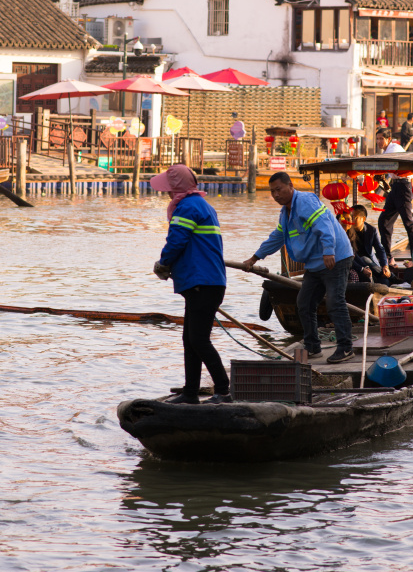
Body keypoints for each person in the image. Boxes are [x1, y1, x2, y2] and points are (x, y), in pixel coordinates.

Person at [243, 173, 356, 364]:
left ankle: (345, 348)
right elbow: (277, 238)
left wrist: (329, 251)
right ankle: (312, 347)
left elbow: (325, 225)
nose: (275, 195)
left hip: (336, 257)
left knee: (335, 302)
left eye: (278, 190)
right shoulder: (285, 214)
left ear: (290, 186)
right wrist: (254, 258)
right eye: (272, 191)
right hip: (315, 263)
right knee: (304, 303)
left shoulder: (305, 201)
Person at [151, 164, 231, 405]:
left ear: (177, 188)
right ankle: (190, 392)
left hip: (202, 282)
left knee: (198, 340)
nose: (167, 193)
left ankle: (223, 391)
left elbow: (176, 241)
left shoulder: (187, 207)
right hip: (207, 281)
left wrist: (163, 263)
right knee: (191, 339)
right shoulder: (202, 205)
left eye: (169, 188)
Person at [377, 145, 413, 258]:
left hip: (403, 186)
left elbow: (388, 164)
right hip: (395, 186)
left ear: (388, 139)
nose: (379, 142)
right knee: (384, 221)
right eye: (378, 139)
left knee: (408, 222)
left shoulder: (393, 149)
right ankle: (387, 256)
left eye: (381, 139)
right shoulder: (386, 151)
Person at [345, 204, 390, 282]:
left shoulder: (371, 230)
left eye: (355, 217)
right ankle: (392, 277)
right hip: (356, 263)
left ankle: (388, 276)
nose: (352, 220)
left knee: (385, 281)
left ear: (363, 219)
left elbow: (380, 249)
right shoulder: (347, 230)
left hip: (371, 263)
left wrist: (385, 266)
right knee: (364, 259)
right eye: (350, 217)